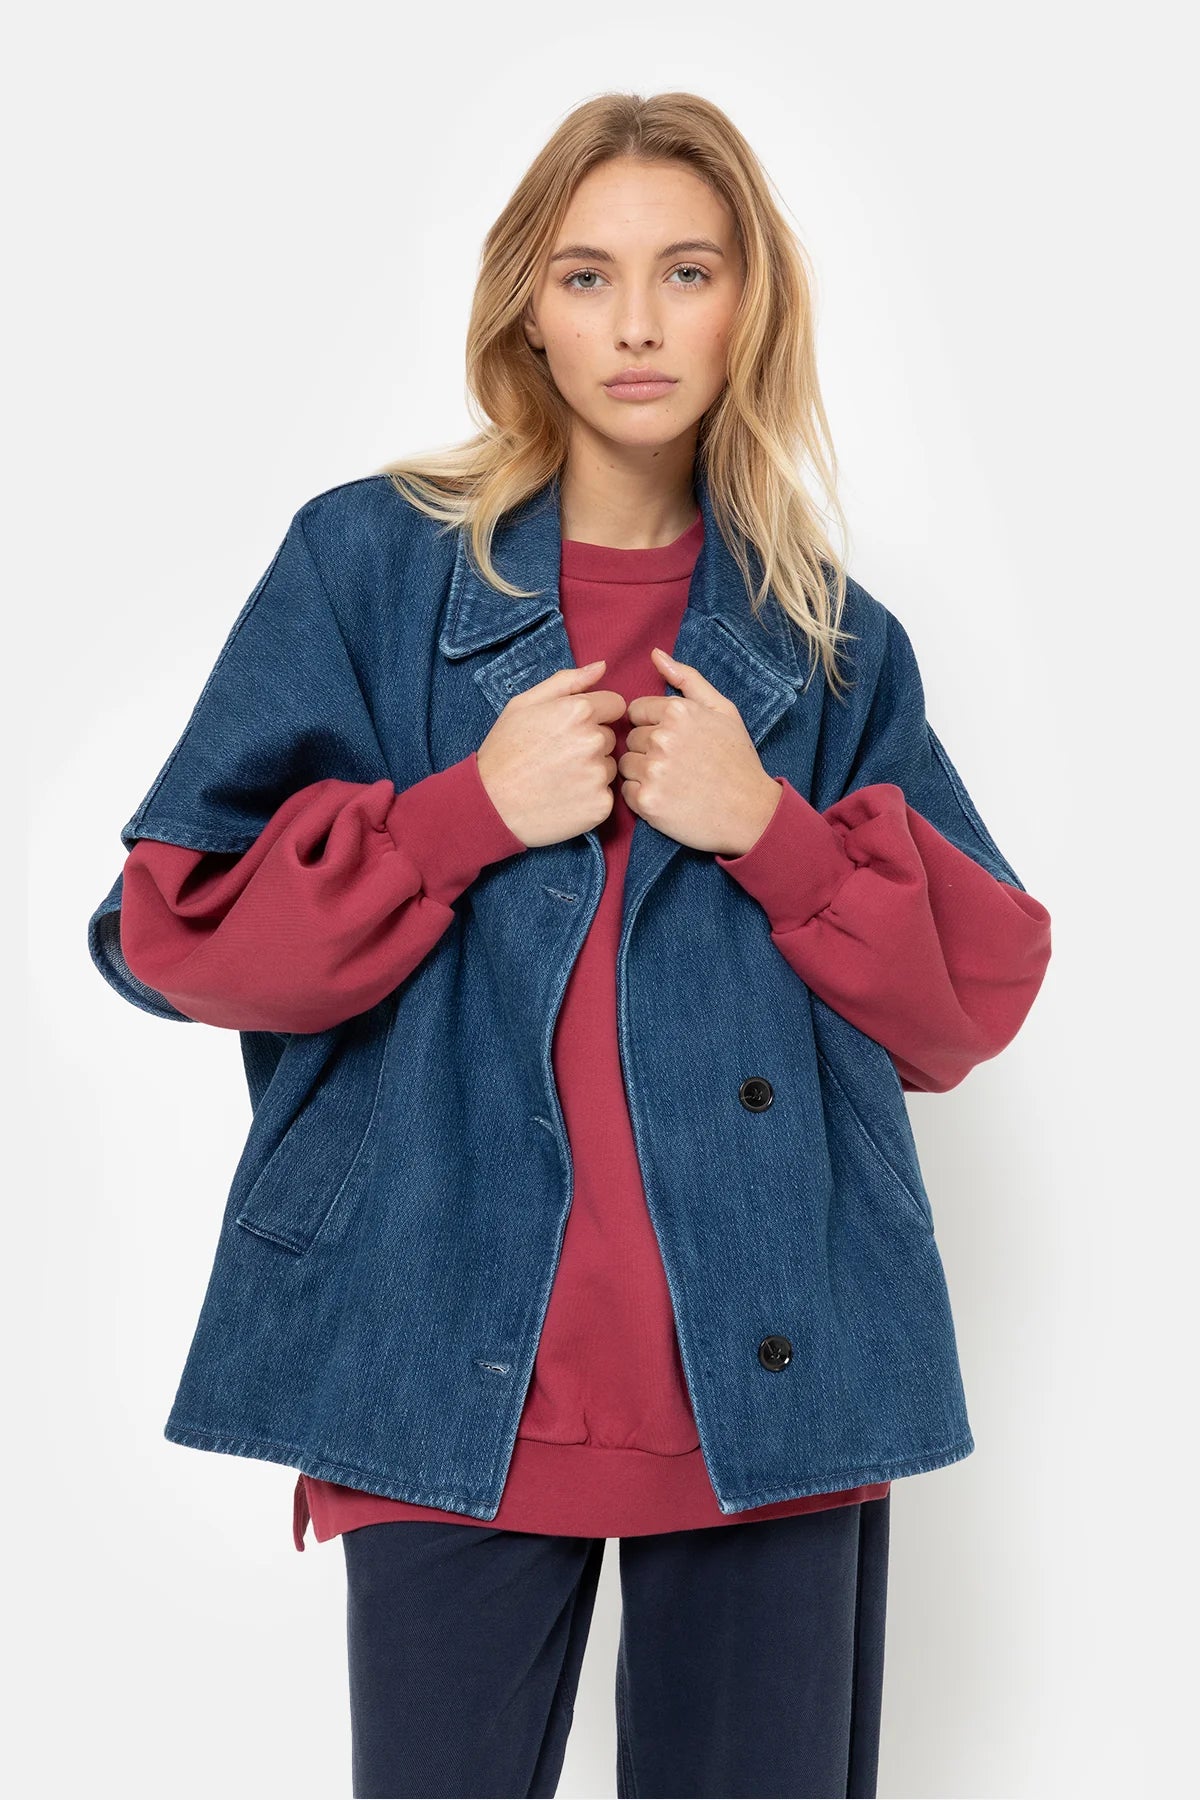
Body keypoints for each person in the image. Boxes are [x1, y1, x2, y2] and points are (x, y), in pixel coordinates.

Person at [86, 91, 1052, 1800]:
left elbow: (970, 999)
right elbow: (178, 931)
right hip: (438, 1355)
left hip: (770, 1377)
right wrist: (461, 814)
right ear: (525, 305)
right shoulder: (370, 571)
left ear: (749, 304)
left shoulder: (827, 643)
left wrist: (772, 830)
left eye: (688, 271)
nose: (637, 324)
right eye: (589, 274)